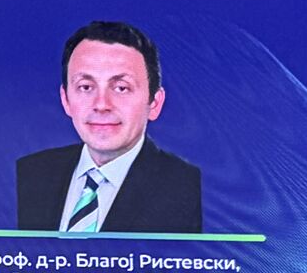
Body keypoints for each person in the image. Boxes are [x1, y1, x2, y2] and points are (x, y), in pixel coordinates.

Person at [16, 20, 201, 233]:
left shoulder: (193, 190)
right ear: (65, 100)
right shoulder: (27, 173)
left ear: (154, 103)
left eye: (121, 88)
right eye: (86, 87)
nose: (102, 104)